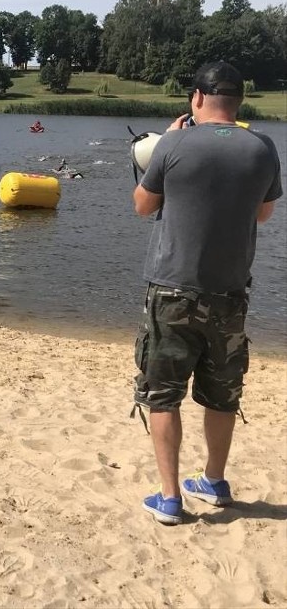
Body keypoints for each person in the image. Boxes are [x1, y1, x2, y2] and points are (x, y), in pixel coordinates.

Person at [131, 61, 282, 525]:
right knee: (222, 394)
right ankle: (214, 481)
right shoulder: (263, 148)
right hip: (231, 293)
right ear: (239, 102)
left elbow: (142, 206)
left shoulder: (174, 141)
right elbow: (263, 216)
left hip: (172, 290)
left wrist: (169, 144)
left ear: (197, 98)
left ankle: (171, 497)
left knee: (162, 394)